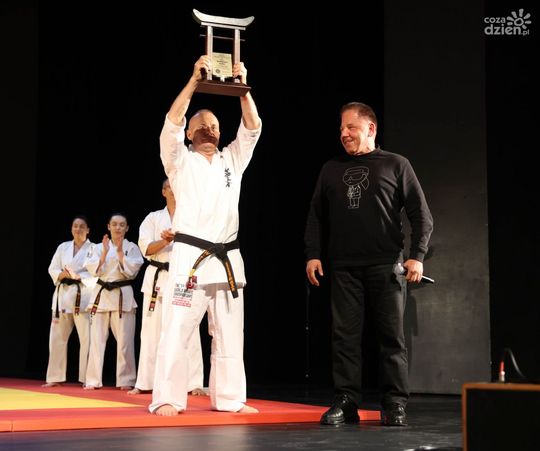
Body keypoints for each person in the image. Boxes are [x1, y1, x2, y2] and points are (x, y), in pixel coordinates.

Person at [304, 102, 433, 427]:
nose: (344, 133)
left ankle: (394, 404)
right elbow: (316, 216)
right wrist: (313, 253)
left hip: (386, 265)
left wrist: (417, 256)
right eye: (341, 128)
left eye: (351, 127)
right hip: (344, 267)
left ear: (370, 129)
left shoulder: (396, 164)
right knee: (344, 338)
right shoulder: (331, 168)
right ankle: (346, 401)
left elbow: (421, 215)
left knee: (391, 338)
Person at [149, 55, 262, 416]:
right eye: (201, 125)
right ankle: (167, 397)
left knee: (230, 334)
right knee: (177, 330)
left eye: (214, 125)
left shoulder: (232, 161)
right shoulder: (179, 161)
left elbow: (253, 127)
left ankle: (229, 398)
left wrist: (243, 89)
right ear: (189, 133)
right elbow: (171, 123)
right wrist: (194, 82)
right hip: (190, 263)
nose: (209, 129)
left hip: (227, 260)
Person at [128, 179, 206, 396]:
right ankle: (145, 382)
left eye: (177, 184)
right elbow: (146, 249)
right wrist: (165, 241)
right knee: (151, 332)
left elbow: (201, 248)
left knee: (188, 329)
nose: (175, 188)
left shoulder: (191, 217)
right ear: (163, 191)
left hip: (182, 277)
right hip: (157, 278)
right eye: (170, 185)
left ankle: (193, 383)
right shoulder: (153, 218)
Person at [84, 213, 144, 390]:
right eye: (115, 224)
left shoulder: (132, 247)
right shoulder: (97, 247)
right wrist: (104, 253)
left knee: (125, 342)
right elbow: (93, 270)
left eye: (122, 224)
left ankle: (126, 380)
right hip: (101, 294)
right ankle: (93, 380)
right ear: (108, 227)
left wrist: (119, 253)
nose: (118, 227)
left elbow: (132, 272)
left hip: (122, 294)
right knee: (96, 341)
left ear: (127, 228)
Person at [43, 215, 94, 387]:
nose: (78, 229)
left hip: (83, 297)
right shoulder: (63, 247)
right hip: (63, 297)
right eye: (75, 226)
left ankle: (88, 378)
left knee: (87, 339)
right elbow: (52, 268)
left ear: (88, 230)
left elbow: (97, 273)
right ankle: (54, 377)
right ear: (71, 229)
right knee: (57, 338)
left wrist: (79, 276)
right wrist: (62, 274)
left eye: (82, 226)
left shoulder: (94, 249)